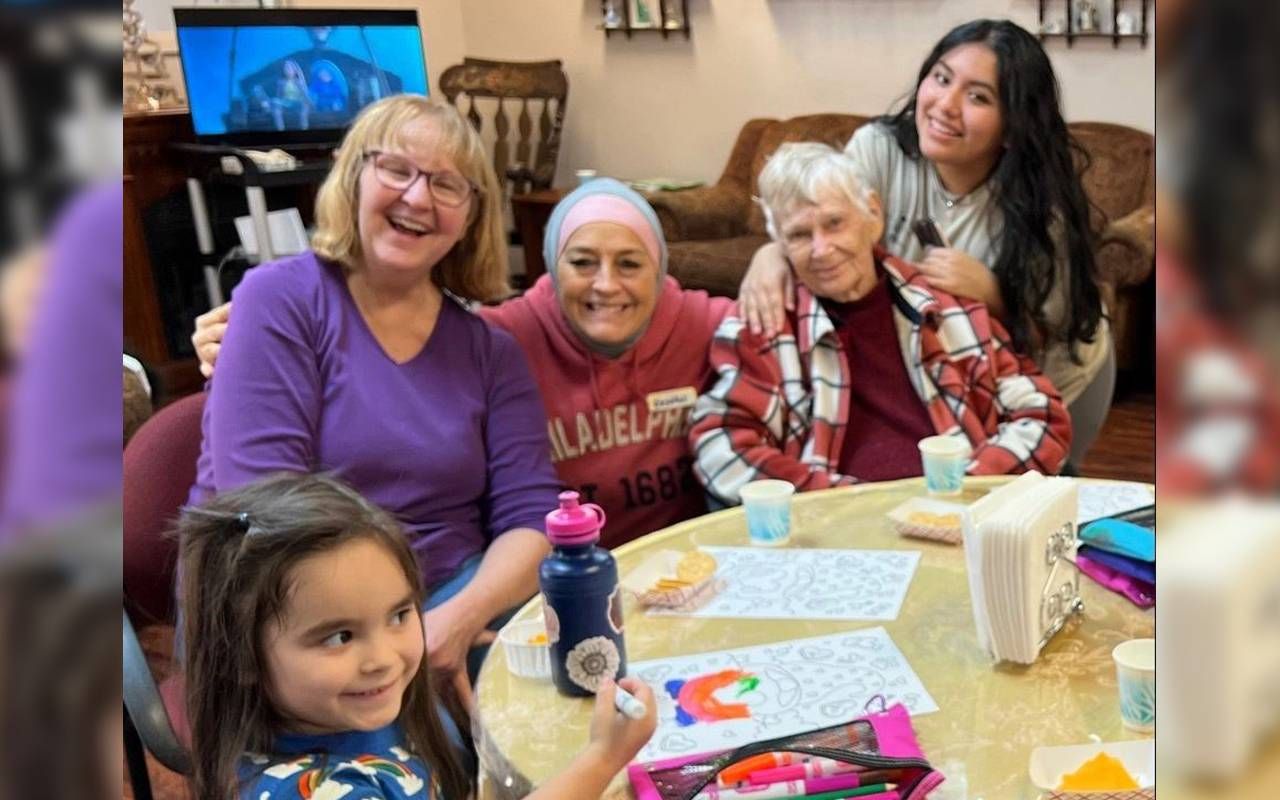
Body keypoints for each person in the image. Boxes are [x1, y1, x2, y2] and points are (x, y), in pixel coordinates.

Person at [191, 95, 562, 684]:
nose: (418, 197)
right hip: (283, 602)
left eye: (447, 184)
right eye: (396, 169)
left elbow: (533, 518)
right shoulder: (279, 301)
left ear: (471, 214)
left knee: (571, 692)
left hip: (450, 595)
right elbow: (260, 510)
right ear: (352, 177)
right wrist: (398, 637)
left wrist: (457, 619)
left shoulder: (491, 350)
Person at [194, 178, 734, 548]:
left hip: (680, 571)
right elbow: (392, 348)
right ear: (550, 266)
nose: (606, 284)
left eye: (631, 264)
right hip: (561, 576)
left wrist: (774, 265)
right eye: (583, 262)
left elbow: (796, 316)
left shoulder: (700, 321)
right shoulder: (502, 339)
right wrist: (251, 338)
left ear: (660, 271)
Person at [738, 19, 1112, 466]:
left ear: (1013, 126)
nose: (945, 105)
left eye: (978, 96)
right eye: (941, 77)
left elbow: (1051, 337)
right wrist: (771, 252)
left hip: (1048, 378)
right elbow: (822, 219)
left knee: (1026, 496)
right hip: (941, 369)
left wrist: (995, 295)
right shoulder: (878, 149)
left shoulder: (1041, 205)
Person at [178, 472, 657, 800]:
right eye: (339, 636)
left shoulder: (349, 714)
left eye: (400, 615)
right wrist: (603, 756)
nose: (383, 657)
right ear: (241, 654)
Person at [690, 142, 1071, 503]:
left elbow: (1042, 414)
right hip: (833, 536)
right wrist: (830, 501)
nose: (822, 249)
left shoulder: (947, 308)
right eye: (800, 235)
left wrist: (973, 486)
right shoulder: (764, 324)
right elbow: (719, 443)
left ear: (873, 215)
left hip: (959, 514)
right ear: (780, 244)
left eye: (835, 223)